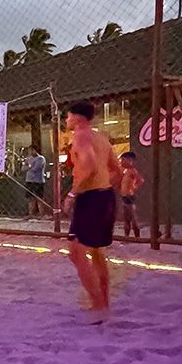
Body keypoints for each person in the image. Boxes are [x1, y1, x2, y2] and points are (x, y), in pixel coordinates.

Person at [65, 100, 120, 320]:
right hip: (105, 196)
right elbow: (115, 171)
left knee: (76, 253)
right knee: (96, 252)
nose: (66, 120)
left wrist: (73, 194)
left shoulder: (81, 136)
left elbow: (89, 165)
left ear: (77, 118)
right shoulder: (102, 138)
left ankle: (98, 307)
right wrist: (103, 186)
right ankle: (103, 303)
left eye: (67, 116)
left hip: (91, 198)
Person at [118, 151, 144, 238]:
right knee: (126, 219)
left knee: (133, 218)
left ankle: (137, 237)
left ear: (130, 160)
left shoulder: (132, 171)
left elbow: (140, 180)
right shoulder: (125, 171)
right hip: (124, 196)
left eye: (123, 160)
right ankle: (126, 236)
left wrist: (133, 187)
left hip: (129, 197)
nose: (121, 162)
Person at [25, 146, 46, 218]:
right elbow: (23, 168)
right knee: (31, 198)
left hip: (38, 181)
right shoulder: (29, 159)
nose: (30, 152)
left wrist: (29, 166)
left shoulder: (41, 159)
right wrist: (29, 166)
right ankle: (30, 214)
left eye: (32, 150)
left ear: (35, 150)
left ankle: (41, 214)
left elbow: (35, 168)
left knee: (39, 198)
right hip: (29, 180)